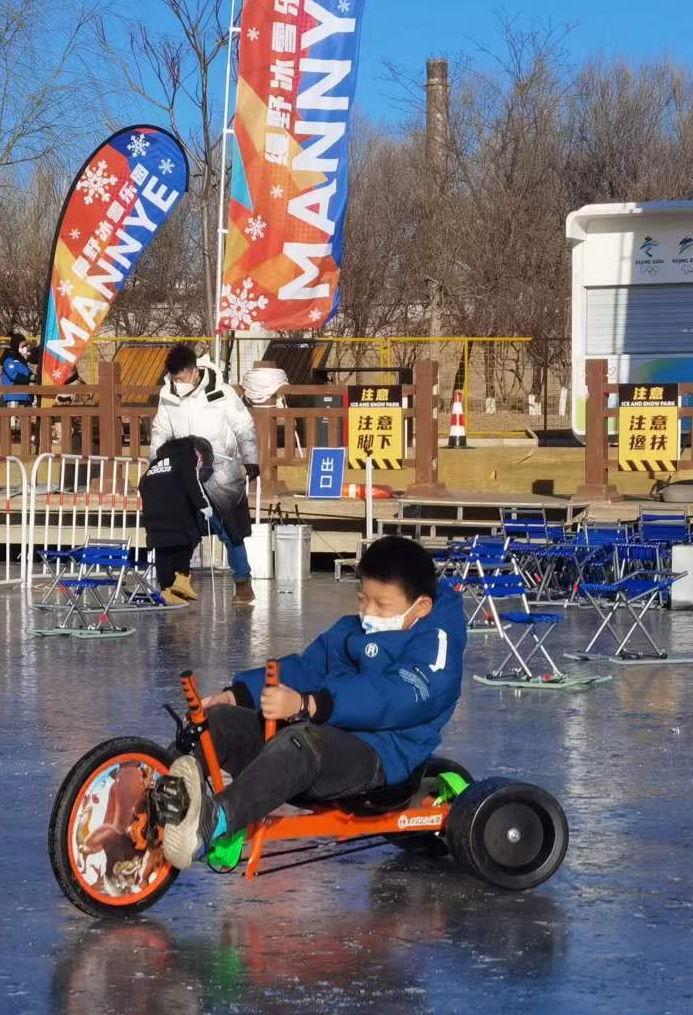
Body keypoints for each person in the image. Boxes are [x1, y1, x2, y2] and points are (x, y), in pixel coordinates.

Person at [156, 536, 464, 872]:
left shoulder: (435, 647)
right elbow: (308, 668)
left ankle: (213, 824)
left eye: (381, 605)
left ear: (420, 607)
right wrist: (237, 694)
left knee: (300, 742)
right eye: (363, 600)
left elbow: (395, 696)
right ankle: (162, 796)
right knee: (217, 723)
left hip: (381, 757)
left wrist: (310, 705)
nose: (368, 613)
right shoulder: (350, 631)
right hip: (323, 734)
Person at [150, 345, 260, 604]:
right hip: (182, 468)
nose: (178, 383)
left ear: (193, 371)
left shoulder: (221, 392)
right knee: (182, 528)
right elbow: (160, 430)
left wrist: (251, 457)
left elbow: (243, 425)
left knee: (229, 529)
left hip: (220, 470)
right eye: (174, 378)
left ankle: (243, 581)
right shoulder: (167, 394)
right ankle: (179, 582)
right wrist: (155, 462)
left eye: (181, 378)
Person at [137, 435, 214, 603]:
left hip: (154, 519)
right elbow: (190, 483)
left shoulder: (156, 463)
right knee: (185, 544)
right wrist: (202, 505)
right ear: (197, 452)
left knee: (164, 554)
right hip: (178, 518)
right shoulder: (187, 457)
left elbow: (142, 484)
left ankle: (166, 590)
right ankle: (181, 582)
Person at [0, 334, 36, 407]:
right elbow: (14, 375)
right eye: (22, 346)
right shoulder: (9, 360)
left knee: (25, 417)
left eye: (26, 346)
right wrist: (30, 378)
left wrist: (32, 376)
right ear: (16, 346)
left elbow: (28, 372)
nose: (25, 348)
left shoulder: (22, 361)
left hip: (24, 396)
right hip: (13, 396)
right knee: (14, 416)